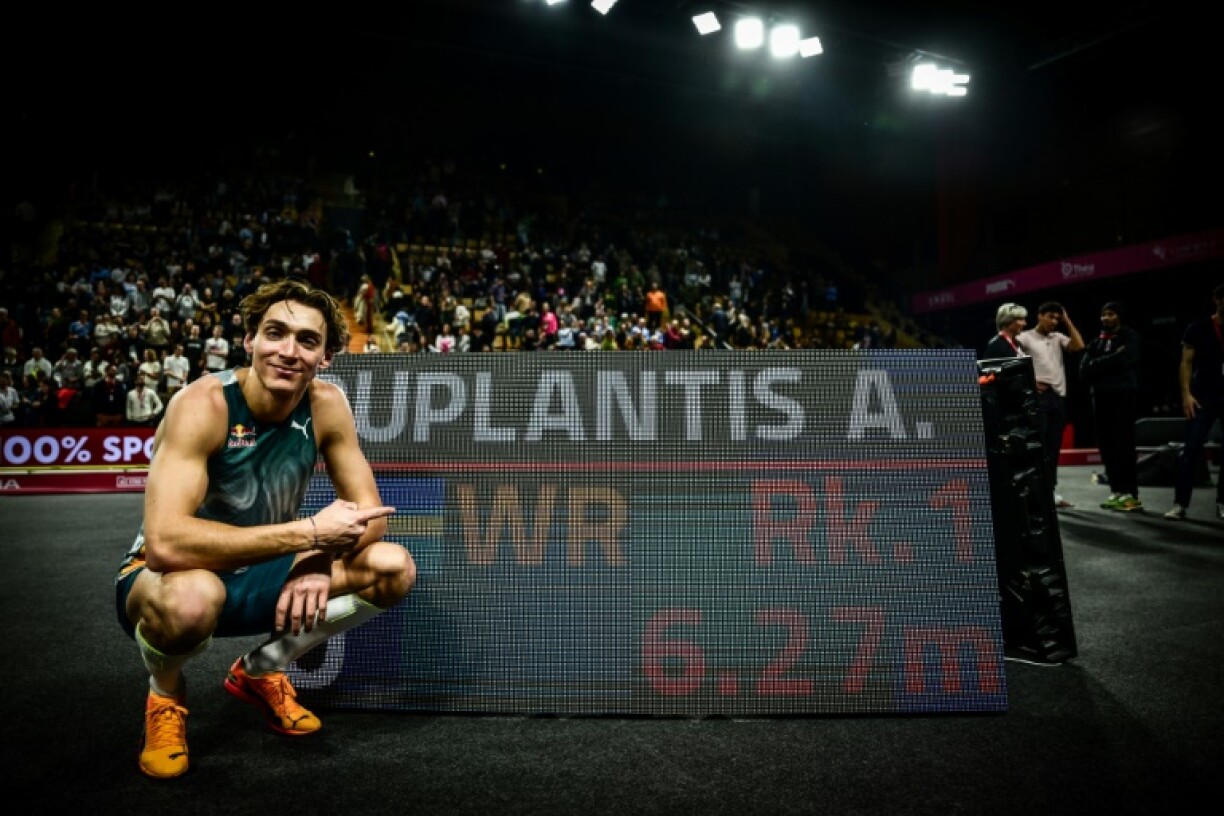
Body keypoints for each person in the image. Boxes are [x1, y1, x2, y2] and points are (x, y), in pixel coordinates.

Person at [114, 277, 416, 779]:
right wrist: (310, 538)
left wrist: (317, 561)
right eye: (275, 333)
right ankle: (164, 694)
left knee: (392, 568)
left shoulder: (326, 404)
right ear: (249, 339)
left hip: (265, 568)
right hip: (166, 580)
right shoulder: (201, 405)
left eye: (307, 340)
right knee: (192, 600)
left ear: (326, 357)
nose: (288, 350)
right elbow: (166, 544)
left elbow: (370, 514)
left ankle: (259, 670)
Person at [1164, 283, 1224, 520]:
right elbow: (1186, 363)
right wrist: (1186, 394)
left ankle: (1222, 503)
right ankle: (1180, 504)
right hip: (1202, 397)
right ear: (1217, 300)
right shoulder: (1198, 328)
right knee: (1190, 451)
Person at [1017, 301, 1084, 509]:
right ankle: (1034, 492)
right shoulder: (1024, 337)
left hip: (1058, 398)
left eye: (1057, 318)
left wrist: (1067, 320)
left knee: (1053, 449)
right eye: (1051, 317)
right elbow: (1015, 364)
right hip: (1038, 399)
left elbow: (1079, 346)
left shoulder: (1058, 338)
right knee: (1038, 448)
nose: (1054, 322)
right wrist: (1030, 383)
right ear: (1039, 315)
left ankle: (1051, 492)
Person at [1080, 302, 1143, 512]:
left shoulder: (1130, 337)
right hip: (1100, 397)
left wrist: (1097, 365)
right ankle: (1116, 491)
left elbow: (1127, 359)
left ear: (1119, 316)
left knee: (1124, 444)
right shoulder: (1096, 341)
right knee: (1106, 446)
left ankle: (1130, 493)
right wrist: (1111, 361)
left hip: (1123, 394)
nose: (1106, 318)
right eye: (1103, 314)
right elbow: (1083, 370)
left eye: (1111, 314)